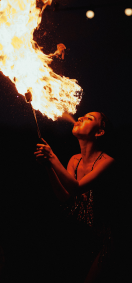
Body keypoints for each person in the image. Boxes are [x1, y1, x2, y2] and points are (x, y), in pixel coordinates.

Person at [34, 111, 118, 283]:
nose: (80, 118)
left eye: (89, 118)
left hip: (106, 242)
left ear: (99, 132)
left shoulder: (107, 162)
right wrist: (48, 166)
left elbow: (76, 188)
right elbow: (64, 196)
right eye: (83, 116)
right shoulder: (74, 160)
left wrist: (52, 157)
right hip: (80, 238)